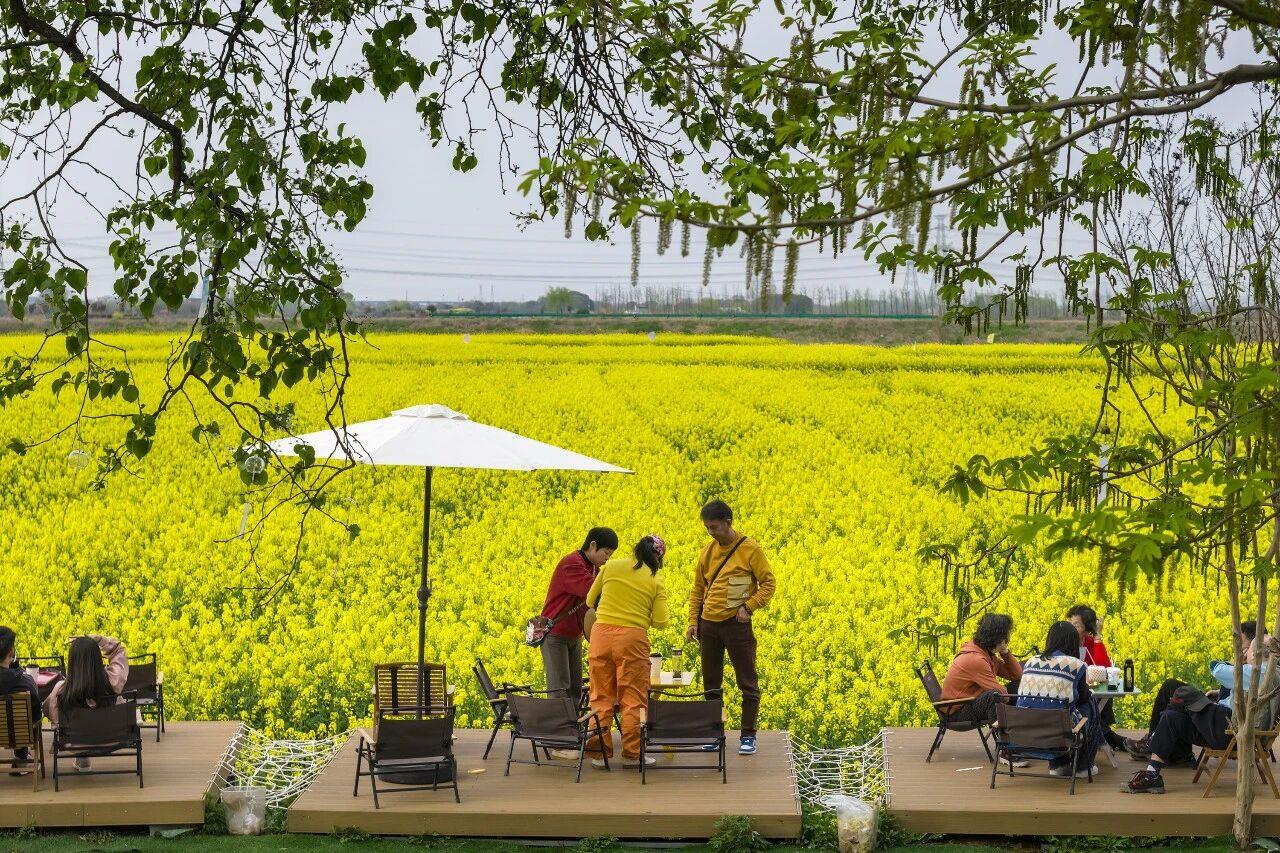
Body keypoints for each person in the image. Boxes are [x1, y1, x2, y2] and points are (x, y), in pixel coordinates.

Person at [686, 500, 776, 756]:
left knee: (747, 681)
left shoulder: (750, 549)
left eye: (714, 527)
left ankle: (748, 735)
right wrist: (694, 620)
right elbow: (698, 589)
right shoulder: (707, 551)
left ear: (728, 522)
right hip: (709, 626)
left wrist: (749, 607)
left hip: (737, 626)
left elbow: (768, 584)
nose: (711, 533)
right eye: (707, 528)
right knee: (711, 683)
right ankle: (715, 735)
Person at [585, 534, 670, 769]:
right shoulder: (655, 580)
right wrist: (640, 617)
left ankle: (600, 755)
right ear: (658, 558)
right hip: (632, 640)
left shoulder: (611, 566)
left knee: (600, 696)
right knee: (633, 699)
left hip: (600, 635)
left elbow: (590, 599)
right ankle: (632, 755)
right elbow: (662, 621)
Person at [1124, 620, 1261, 759]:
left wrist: (1240, 661)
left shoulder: (1253, 672)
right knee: (1172, 688)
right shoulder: (1256, 671)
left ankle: (1155, 743)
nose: (1236, 647)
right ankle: (1172, 749)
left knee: (1177, 692)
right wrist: (1220, 693)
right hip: (1221, 713)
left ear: (1254, 646)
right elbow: (1242, 690)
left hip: (1222, 722)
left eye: (1241, 643)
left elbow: (1216, 668)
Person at [540, 527, 617, 707]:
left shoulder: (593, 568)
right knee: (559, 689)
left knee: (574, 689)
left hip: (574, 635)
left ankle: (573, 731)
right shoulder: (572, 564)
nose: (607, 559)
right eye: (606, 553)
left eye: (610, 555)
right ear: (592, 545)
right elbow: (594, 592)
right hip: (555, 635)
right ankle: (561, 733)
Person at [1015, 620, 1101, 777]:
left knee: (1052, 707)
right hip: (1059, 734)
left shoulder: (1030, 661)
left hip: (1024, 731)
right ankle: (1083, 767)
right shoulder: (1077, 665)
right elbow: (1082, 698)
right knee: (1090, 704)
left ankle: (1058, 765)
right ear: (1073, 642)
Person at [1121, 685, 1233, 794]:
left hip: (1227, 727)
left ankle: (1153, 740)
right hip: (1218, 714)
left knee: (1182, 694)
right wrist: (1221, 690)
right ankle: (1152, 775)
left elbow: (1218, 670)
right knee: (1170, 716)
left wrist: (1244, 666)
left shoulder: (1247, 673)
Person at [43, 635, 128, 770]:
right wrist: (100, 640)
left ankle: (82, 757)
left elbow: (49, 712)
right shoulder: (113, 681)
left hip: (76, 742)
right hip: (110, 739)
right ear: (97, 659)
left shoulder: (61, 690)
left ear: (72, 661)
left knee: (74, 722)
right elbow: (118, 650)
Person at [940, 613, 1023, 725]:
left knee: (1018, 685)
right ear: (997, 637)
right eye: (1006, 636)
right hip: (956, 712)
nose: (1007, 639)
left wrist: (1005, 652)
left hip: (968, 703)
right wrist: (1009, 700)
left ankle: (1017, 727)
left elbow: (1017, 675)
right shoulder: (976, 659)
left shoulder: (986, 652)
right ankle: (1004, 737)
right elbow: (1001, 694)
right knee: (993, 696)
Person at [1067, 603, 1125, 751]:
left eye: (1076, 625)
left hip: (1089, 691)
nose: (1071, 628)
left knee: (1099, 700)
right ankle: (1113, 739)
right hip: (1072, 695)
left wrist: (1098, 635)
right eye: (1070, 623)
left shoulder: (1090, 643)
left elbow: (1104, 668)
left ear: (1087, 629)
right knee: (1091, 705)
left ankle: (1106, 736)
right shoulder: (1064, 644)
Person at [0, 626, 40, 775]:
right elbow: (36, 709)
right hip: (20, 731)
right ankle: (21, 757)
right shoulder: (24, 681)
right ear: (11, 652)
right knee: (23, 718)